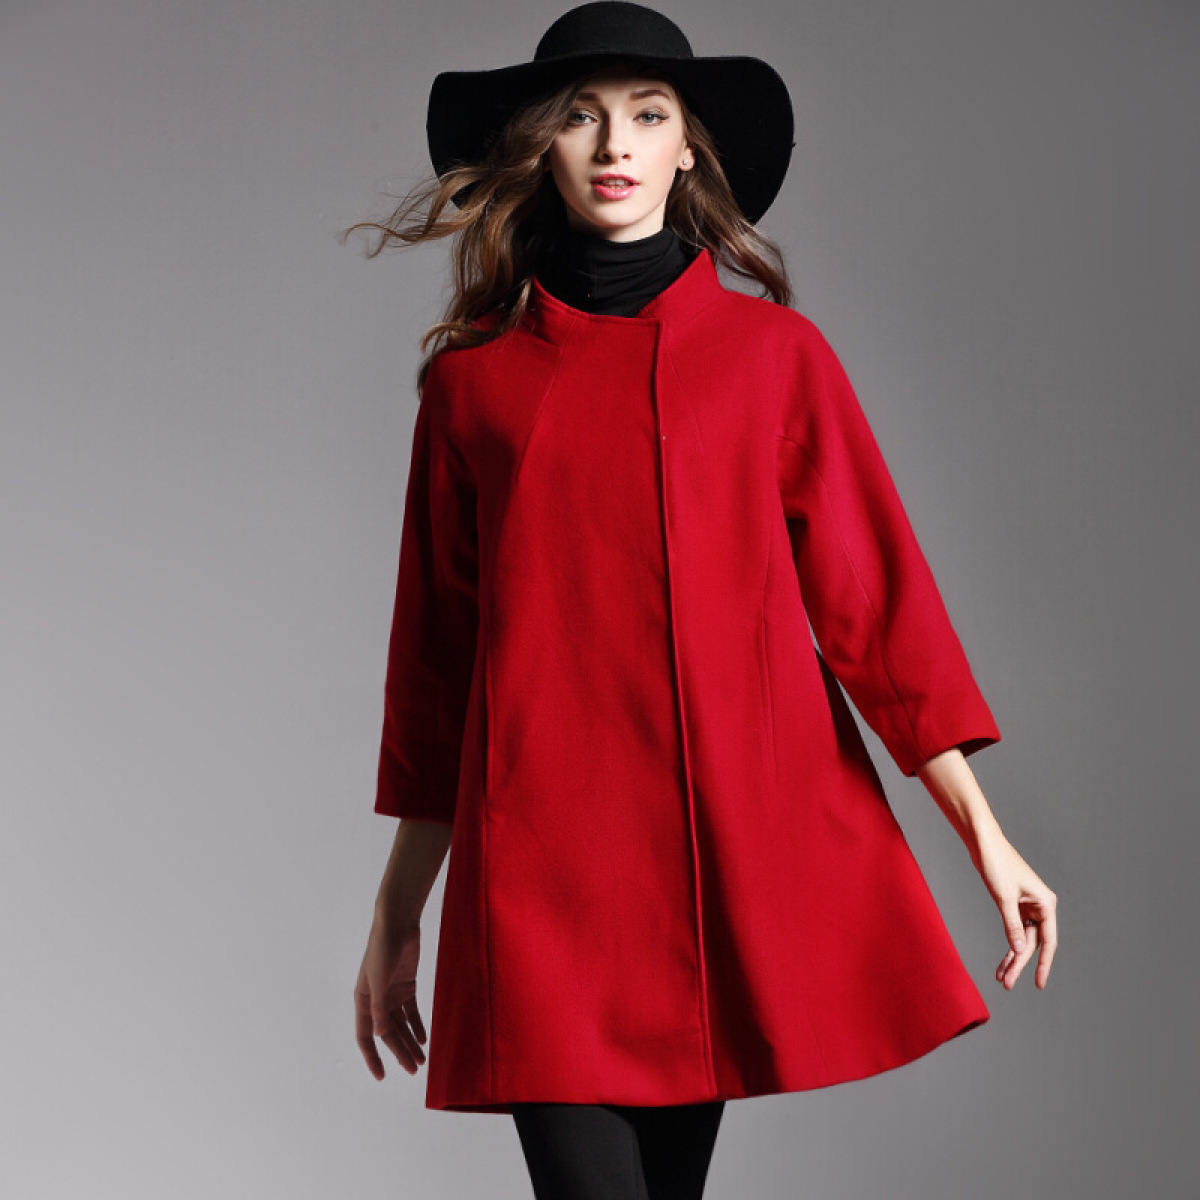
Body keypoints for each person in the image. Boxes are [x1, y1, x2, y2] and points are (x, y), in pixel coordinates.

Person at [347, 4, 1059, 1196]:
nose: (614, 144)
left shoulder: (775, 359)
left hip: (714, 868)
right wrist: (397, 911)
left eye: (647, 115)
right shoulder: (474, 384)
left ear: (689, 149)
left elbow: (877, 614)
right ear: (540, 147)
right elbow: (433, 668)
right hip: (539, 876)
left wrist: (987, 839)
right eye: (581, 117)